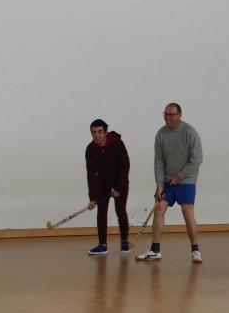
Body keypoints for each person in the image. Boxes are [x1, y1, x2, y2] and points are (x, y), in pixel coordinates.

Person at [136, 103, 204, 263]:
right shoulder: (161, 134)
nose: (168, 117)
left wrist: (179, 176)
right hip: (167, 180)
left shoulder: (190, 132)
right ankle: (155, 250)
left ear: (180, 115)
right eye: (165, 114)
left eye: (171, 114)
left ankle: (195, 250)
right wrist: (160, 184)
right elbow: (158, 162)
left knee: (187, 211)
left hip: (186, 180)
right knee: (159, 209)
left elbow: (197, 160)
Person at [85, 119, 130, 255]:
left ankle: (124, 241)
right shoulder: (90, 149)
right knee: (101, 212)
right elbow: (91, 174)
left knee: (120, 210)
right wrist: (92, 198)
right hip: (103, 182)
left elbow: (125, 166)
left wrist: (118, 188)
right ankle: (102, 245)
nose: (96, 136)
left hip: (120, 181)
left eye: (99, 132)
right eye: (93, 132)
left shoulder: (117, 144)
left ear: (105, 132)